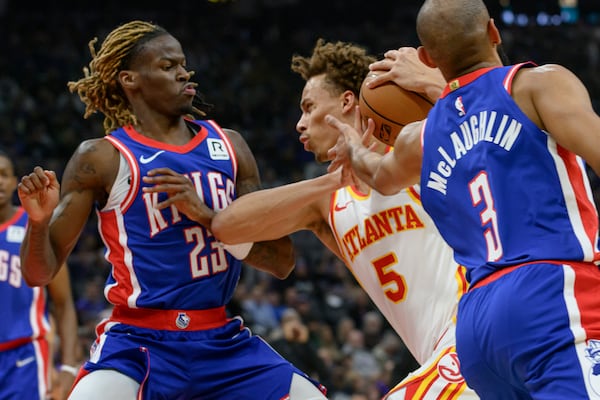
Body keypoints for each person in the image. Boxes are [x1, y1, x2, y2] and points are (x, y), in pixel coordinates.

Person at [17, 20, 327, 400]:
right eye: (167, 67)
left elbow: (282, 261)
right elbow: (38, 273)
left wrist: (210, 219)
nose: (184, 73)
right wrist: (38, 220)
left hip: (221, 340)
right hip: (137, 342)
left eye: (183, 64)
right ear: (129, 79)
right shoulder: (102, 158)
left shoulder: (229, 147)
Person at [326, 0, 600, 398]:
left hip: (476, 327)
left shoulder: (417, 138)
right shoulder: (538, 84)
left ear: (427, 57)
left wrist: (353, 146)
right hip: (550, 291)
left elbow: (381, 178)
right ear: (494, 31)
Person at [211, 38, 478, 399]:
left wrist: (434, 83)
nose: (300, 124)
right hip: (438, 356)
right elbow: (228, 226)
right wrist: (333, 178)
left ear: (347, 101)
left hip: (473, 331)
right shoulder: (326, 202)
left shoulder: (413, 149)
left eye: (308, 108)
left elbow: (484, 127)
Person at [0, 150, 80, 400]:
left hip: (23, 357)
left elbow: (63, 303)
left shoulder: (34, 224)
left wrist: (68, 366)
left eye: (3, 175)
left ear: (14, 182)